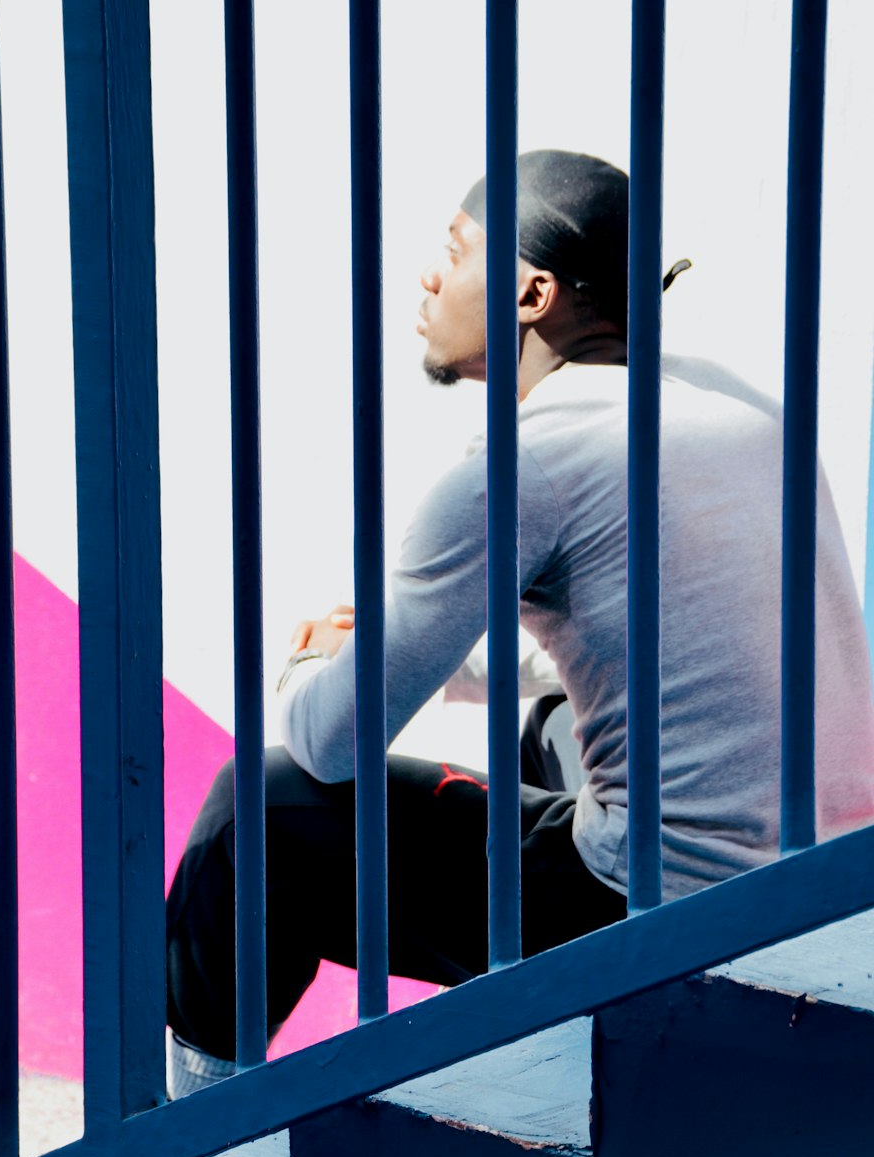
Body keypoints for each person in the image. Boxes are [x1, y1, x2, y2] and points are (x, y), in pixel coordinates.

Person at [165, 149, 874, 1095]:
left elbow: (334, 740)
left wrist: (310, 663)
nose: (429, 276)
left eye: (455, 252)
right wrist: (462, 677)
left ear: (532, 293)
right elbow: (679, 644)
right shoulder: (732, 403)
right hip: (828, 887)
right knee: (550, 731)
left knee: (260, 809)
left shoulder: (526, 459)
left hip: (665, 912)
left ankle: (188, 1141)